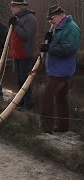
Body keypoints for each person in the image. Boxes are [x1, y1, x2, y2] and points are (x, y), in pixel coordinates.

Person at [40, 5, 81, 134]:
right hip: (56, 69)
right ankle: (63, 127)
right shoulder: (59, 27)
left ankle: (46, 128)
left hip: (61, 70)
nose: (50, 22)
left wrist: (49, 48)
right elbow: (58, 43)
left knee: (48, 96)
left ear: (60, 15)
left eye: (51, 18)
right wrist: (49, 40)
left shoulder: (72, 28)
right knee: (61, 98)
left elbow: (68, 49)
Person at [8, 0, 37, 108]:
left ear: (19, 7)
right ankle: (20, 100)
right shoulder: (18, 18)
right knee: (19, 79)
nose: (11, 9)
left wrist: (16, 25)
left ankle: (27, 103)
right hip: (17, 54)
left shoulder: (30, 18)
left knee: (25, 79)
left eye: (13, 7)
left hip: (25, 54)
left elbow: (25, 35)